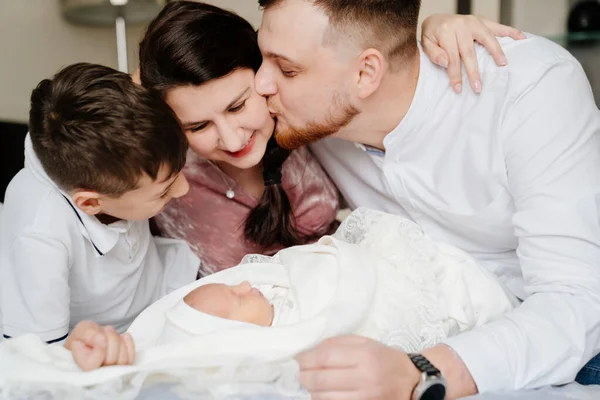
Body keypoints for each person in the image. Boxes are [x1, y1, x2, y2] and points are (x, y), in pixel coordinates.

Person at [254, 0, 600, 398]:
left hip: (570, 343)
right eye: (263, 59)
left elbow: (578, 302)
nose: (262, 84)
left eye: (287, 69)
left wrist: (421, 371)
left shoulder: (528, 86)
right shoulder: (308, 118)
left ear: (367, 73)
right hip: (426, 330)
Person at [137, 1, 521, 275]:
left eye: (238, 107)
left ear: (265, 76)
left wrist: (436, 26)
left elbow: (365, 75)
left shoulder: (302, 125)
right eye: (198, 127)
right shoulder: (163, 172)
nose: (231, 137)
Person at [58, 209, 516, 381]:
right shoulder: (280, 341)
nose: (243, 285)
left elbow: (304, 266)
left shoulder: (274, 286)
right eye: (238, 302)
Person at [0, 63, 199, 346]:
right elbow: (37, 353)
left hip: (161, 287)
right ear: (91, 202)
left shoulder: (115, 144)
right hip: (110, 338)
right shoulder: (39, 235)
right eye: (163, 191)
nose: (184, 189)